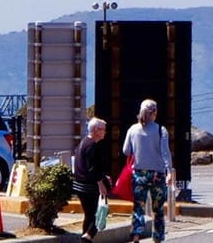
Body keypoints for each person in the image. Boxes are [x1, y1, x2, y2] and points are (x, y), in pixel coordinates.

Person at [122, 99, 173, 243]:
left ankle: (136, 234)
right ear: (154, 112)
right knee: (158, 209)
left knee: (139, 206)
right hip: (157, 174)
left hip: (139, 173)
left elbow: (126, 150)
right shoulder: (160, 130)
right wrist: (169, 171)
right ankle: (157, 238)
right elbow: (165, 152)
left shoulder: (133, 129)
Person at [73, 117, 111, 243]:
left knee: (89, 216)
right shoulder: (91, 146)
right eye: (103, 129)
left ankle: (86, 239)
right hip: (88, 187)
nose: (105, 132)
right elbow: (92, 169)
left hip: (80, 186)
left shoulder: (84, 142)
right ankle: (87, 236)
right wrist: (101, 184)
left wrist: (104, 177)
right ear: (95, 130)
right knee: (100, 214)